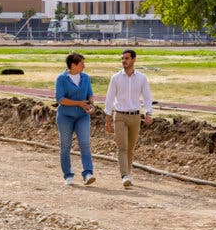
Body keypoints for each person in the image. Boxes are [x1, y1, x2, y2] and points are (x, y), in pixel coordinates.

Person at [104, 49, 153, 188]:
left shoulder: (142, 78)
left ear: (134, 60)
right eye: (122, 58)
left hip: (136, 117)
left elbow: (147, 97)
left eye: (126, 58)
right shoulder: (116, 78)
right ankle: (124, 175)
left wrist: (148, 113)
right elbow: (109, 98)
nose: (124, 61)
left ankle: (128, 174)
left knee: (130, 149)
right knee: (123, 147)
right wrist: (108, 119)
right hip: (120, 116)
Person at [55, 52, 95, 186]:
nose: (84, 66)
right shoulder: (61, 79)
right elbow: (60, 99)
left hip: (82, 116)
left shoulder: (86, 78)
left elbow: (90, 95)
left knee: (85, 143)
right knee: (65, 146)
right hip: (65, 116)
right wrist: (78, 103)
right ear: (73, 65)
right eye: (82, 64)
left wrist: (91, 106)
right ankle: (68, 175)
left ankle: (88, 173)